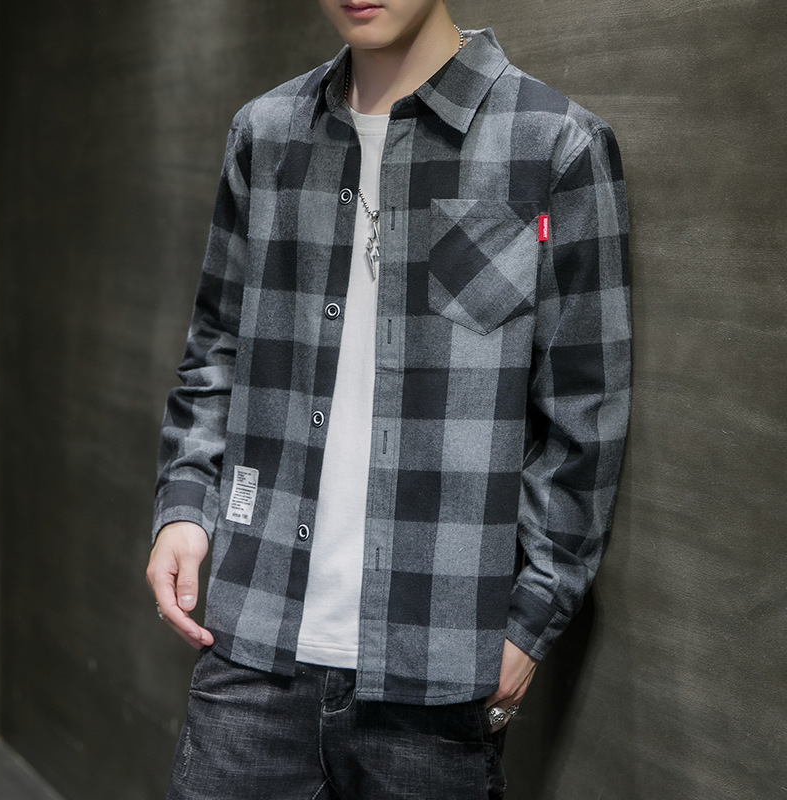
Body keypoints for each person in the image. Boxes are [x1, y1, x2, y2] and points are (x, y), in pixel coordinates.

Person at [146, 1, 631, 797]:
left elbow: (587, 411)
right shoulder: (265, 135)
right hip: (250, 641)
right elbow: (216, 350)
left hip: (439, 672)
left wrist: (531, 618)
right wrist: (185, 507)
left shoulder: (554, 144)